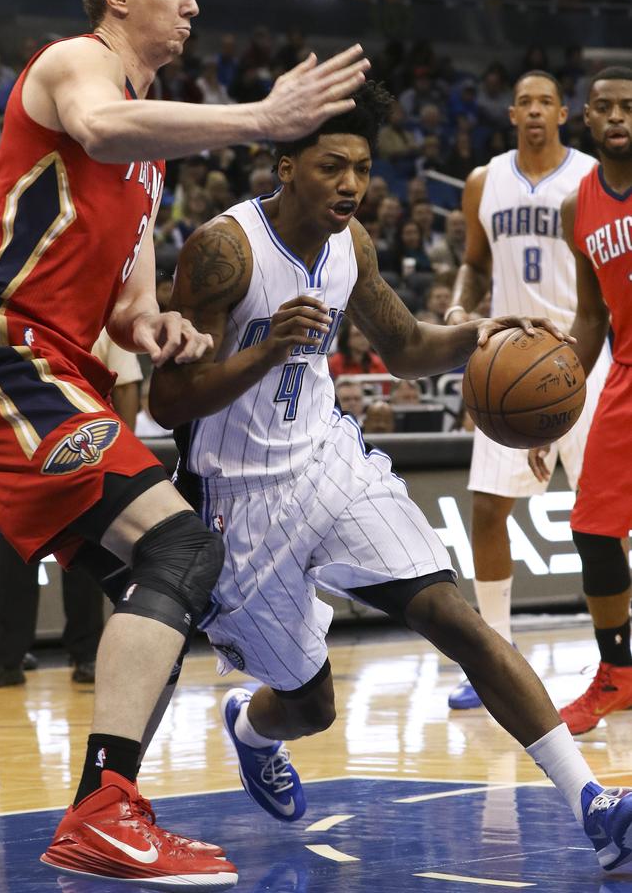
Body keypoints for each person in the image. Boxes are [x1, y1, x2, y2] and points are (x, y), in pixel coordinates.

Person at [150, 80, 632, 875]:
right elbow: (170, 403)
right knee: (309, 705)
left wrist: (484, 332)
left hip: (328, 460)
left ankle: (595, 807)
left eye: (363, 169)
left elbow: (405, 346)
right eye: (331, 166)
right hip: (237, 497)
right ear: (285, 164)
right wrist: (266, 349)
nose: (349, 185)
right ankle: (250, 728)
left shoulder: (352, 245)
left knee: (454, 615)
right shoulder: (224, 250)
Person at [0, 0, 369, 887]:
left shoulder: (151, 157)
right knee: (181, 545)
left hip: (58, 360)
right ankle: (102, 813)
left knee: (151, 588)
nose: (191, 1)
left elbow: (129, 301)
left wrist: (156, 327)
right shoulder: (75, 66)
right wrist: (260, 120)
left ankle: (106, 808)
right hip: (2, 350)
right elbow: (100, 125)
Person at [444, 70, 608, 712]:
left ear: (564, 113)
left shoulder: (592, 179)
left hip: (585, 358)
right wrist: (460, 307)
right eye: (525, 103)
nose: (535, 111)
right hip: (510, 364)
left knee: (607, 519)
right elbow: (474, 262)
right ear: (511, 114)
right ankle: (495, 662)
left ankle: (615, 659)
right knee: (487, 508)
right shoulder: (484, 181)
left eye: (546, 102)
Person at [529, 67, 632, 735]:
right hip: (625, 370)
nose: (618, 116)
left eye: (629, 106)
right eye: (605, 108)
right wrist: (558, 404)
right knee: (593, 527)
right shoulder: (579, 206)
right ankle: (616, 674)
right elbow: (591, 316)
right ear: (586, 120)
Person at [0, 330, 142, 688]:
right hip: (21, 449)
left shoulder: (101, 320)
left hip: (84, 451)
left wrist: (120, 447)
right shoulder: (5, 315)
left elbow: (129, 384)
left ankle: (86, 655)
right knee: (12, 558)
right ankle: (7, 659)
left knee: (84, 557)